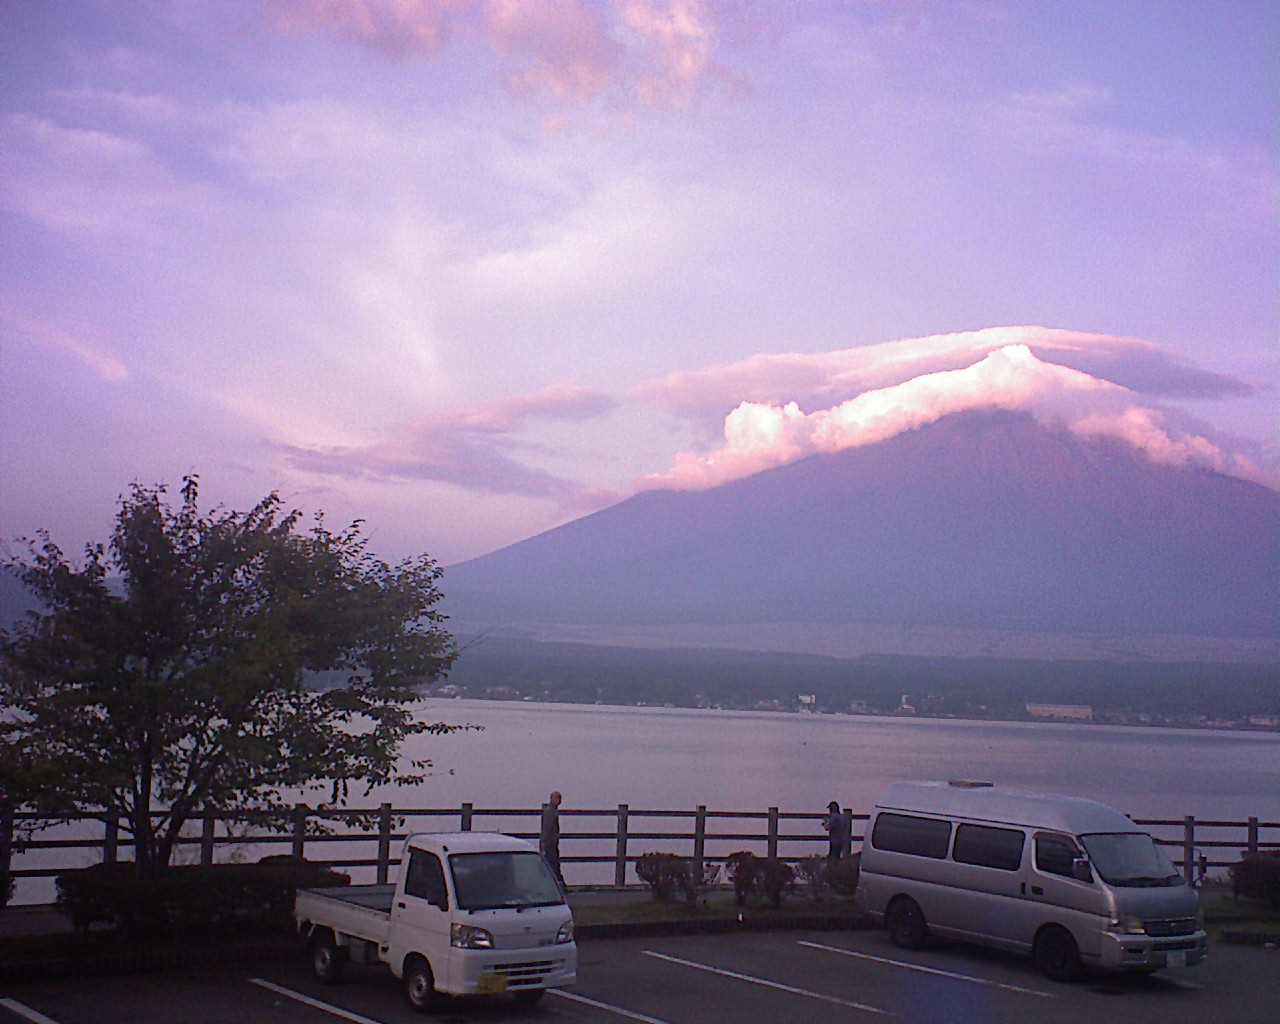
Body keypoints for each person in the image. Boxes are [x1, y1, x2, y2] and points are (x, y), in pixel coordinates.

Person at [540, 790, 563, 886]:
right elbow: (547, 829)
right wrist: (544, 843)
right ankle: (556, 885)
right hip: (550, 844)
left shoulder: (551, 811)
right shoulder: (550, 812)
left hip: (551, 843)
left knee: (553, 864)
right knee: (552, 865)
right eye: (558, 798)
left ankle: (558, 883)